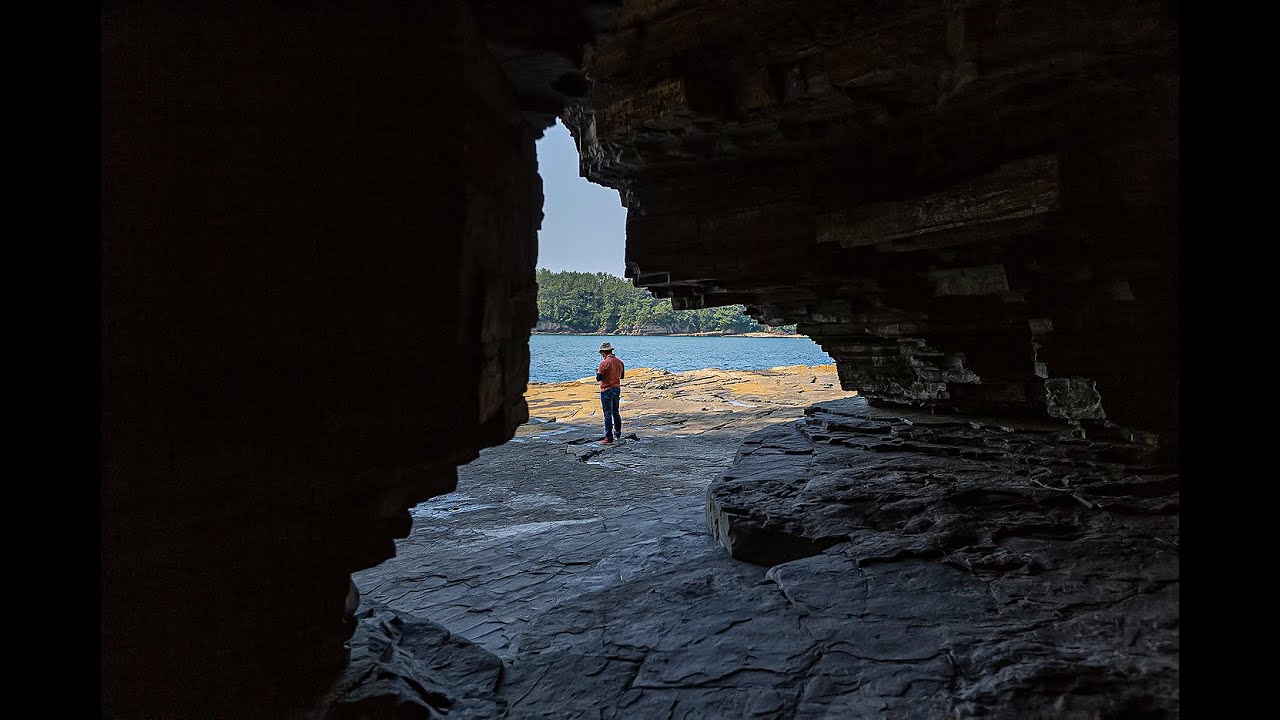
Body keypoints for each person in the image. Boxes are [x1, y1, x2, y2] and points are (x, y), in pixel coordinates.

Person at [595, 341, 625, 444]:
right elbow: (622, 376)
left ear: (604, 352)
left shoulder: (604, 363)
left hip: (606, 389)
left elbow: (599, 378)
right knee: (616, 412)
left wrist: (597, 373)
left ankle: (608, 437)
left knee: (607, 414)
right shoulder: (620, 362)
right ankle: (617, 433)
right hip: (616, 389)